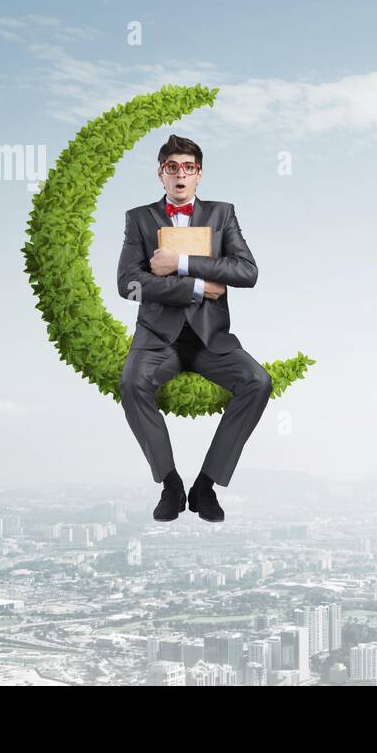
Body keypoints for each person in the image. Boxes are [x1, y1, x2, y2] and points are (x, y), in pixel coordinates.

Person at [116, 134, 272, 523]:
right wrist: (199, 287)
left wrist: (182, 262)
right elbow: (128, 284)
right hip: (157, 339)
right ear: (161, 175)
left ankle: (206, 485)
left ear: (199, 175)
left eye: (188, 168)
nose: (180, 175)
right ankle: (170, 484)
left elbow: (247, 272)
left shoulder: (222, 214)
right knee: (132, 383)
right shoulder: (139, 218)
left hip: (210, 340)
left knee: (258, 381)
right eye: (172, 168)